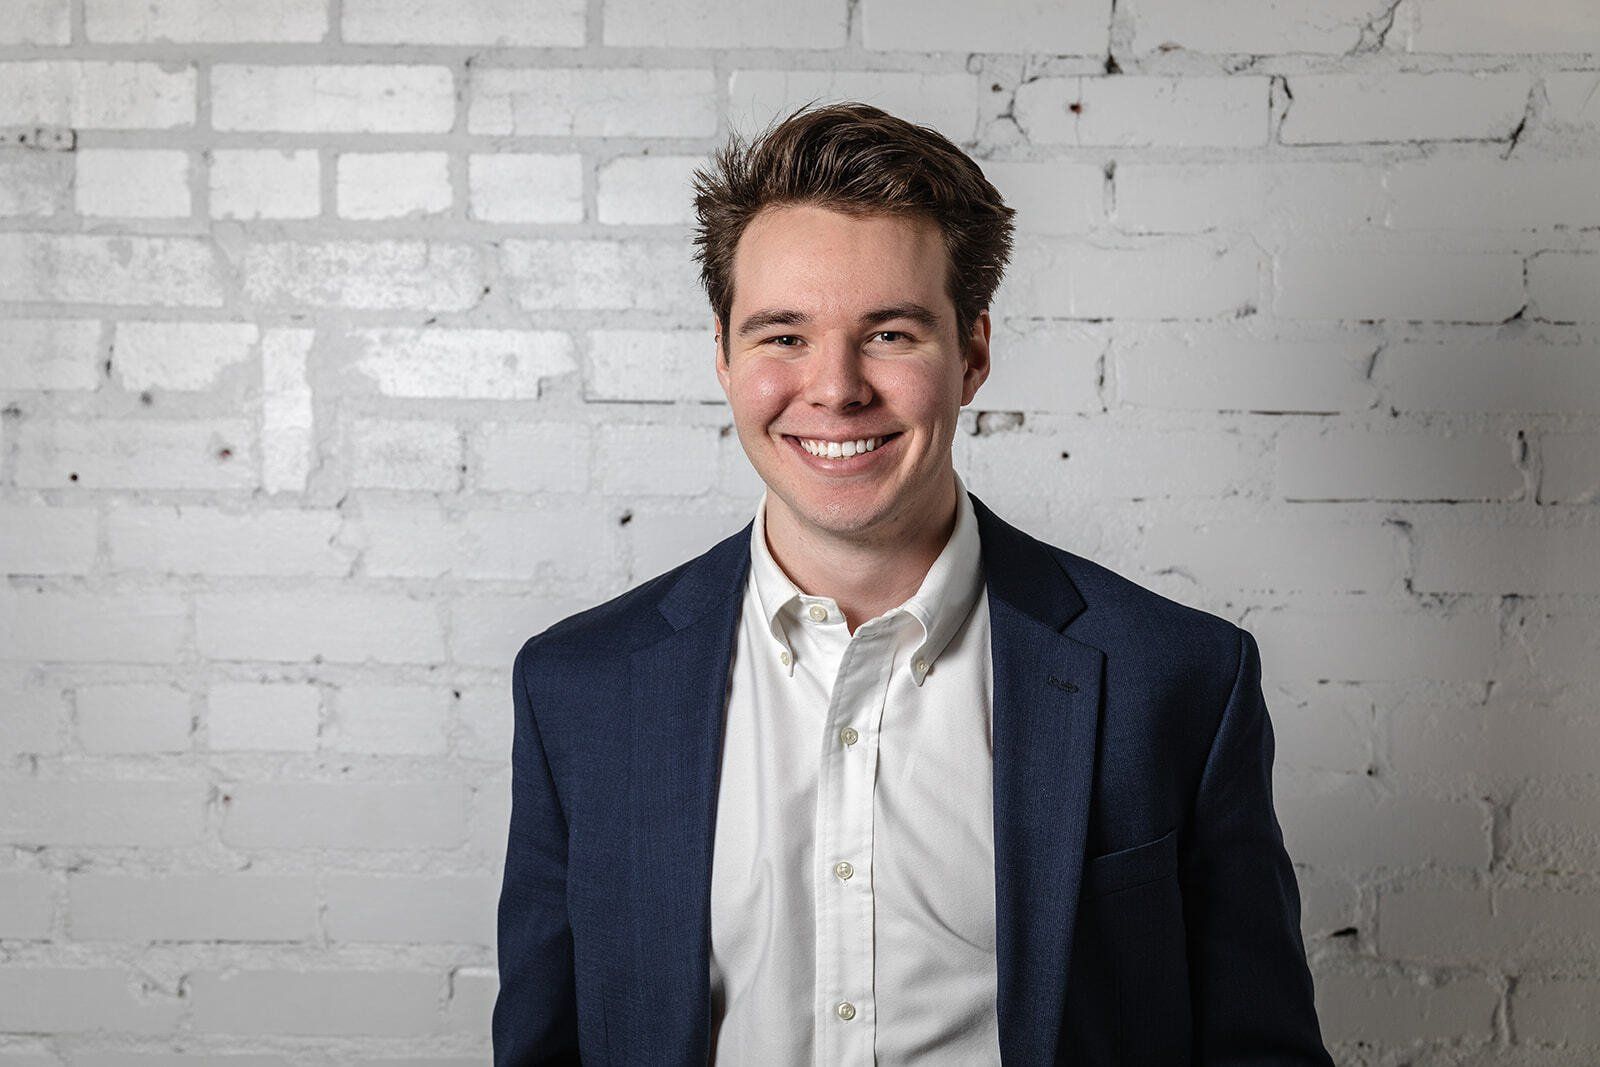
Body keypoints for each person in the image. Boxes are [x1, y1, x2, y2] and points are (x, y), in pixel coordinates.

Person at [492, 101, 1333, 1065]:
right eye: (782, 336)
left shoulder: (1177, 679)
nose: (837, 386)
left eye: (890, 333)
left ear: (972, 351)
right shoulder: (579, 689)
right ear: (722, 354)